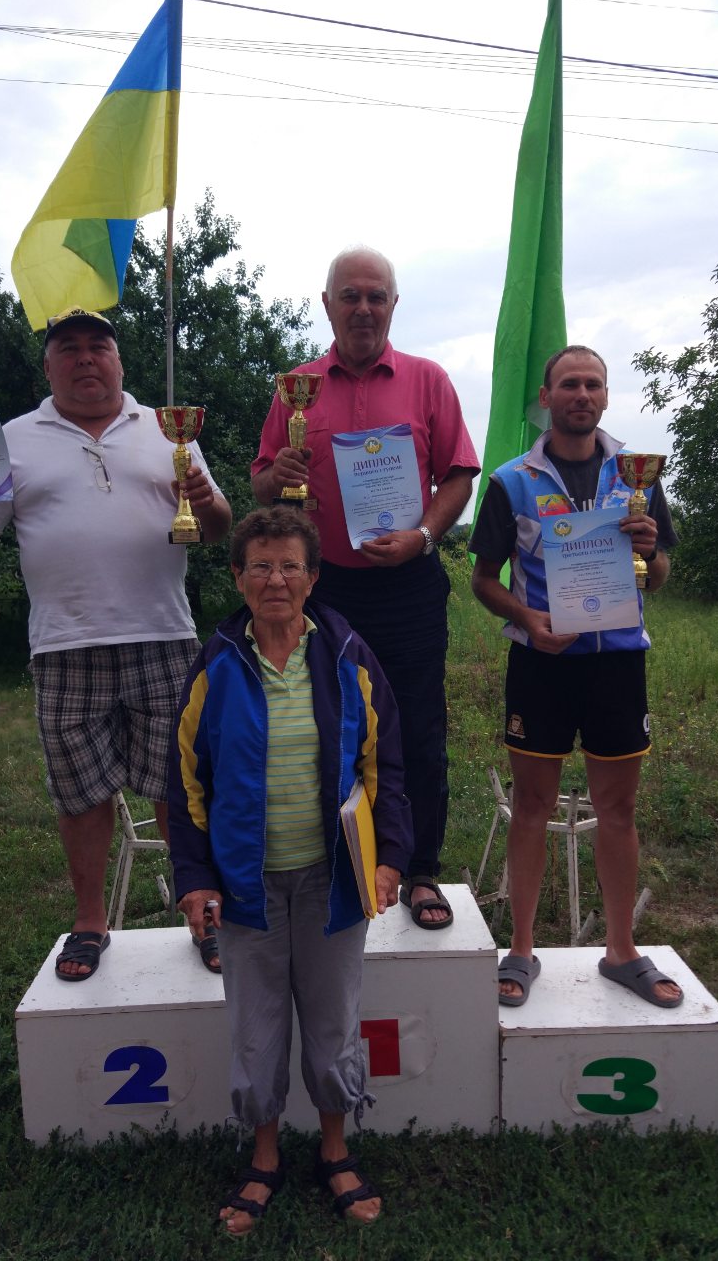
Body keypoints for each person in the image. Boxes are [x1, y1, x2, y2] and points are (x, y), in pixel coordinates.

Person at [0, 306, 232, 981]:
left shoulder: (168, 431)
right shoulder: (13, 439)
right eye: (69, 348)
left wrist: (204, 496)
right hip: (63, 643)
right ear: (48, 367)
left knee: (181, 787)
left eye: (98, 346)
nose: (85, 358)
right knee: (79, 794)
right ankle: (89, 922)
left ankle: (202, 909)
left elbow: (218, 525)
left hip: (164, 634)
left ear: (119, 362)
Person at [168, 507, 413, 1235]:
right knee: (256, 1027)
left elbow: (386, 765)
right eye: (260, 566)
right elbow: (183, 782)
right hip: (247, 887)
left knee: (334, 1023)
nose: (275, 579)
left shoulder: (347, 655)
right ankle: (265, 1155)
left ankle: (335, 1149)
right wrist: (196, 877)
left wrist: (391, 859)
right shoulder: (215, 663)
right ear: (238, 576)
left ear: (312, 577)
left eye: (289, 566)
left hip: (333, 880)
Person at [251, 247, 479, 929]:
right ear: (327, 304)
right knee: (328, 727)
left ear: (393, 305)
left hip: (408, 582)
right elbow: (263, 481)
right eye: (349, 296)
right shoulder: (296, 387)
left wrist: (425, 536)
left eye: (376, 296)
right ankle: (336, 862)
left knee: (415, 725)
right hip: (325, 590)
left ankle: (419, 872)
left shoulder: (427, 380)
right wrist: (278, 471)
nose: (363, 308)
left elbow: (460, 475)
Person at [468, 344, 683, 1009]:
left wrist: (650, 554)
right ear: (547, 396)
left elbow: (663, 575)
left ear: (606, 396)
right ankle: (522, 950)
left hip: (618, 663)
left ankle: (622, 951)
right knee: (532, 808)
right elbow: (481, 580)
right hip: (542, 663)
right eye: (569, 384)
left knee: (618, 810)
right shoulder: (510, 480)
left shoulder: (637, 477)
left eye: (592, 383)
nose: (580, 394)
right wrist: (528, 619)